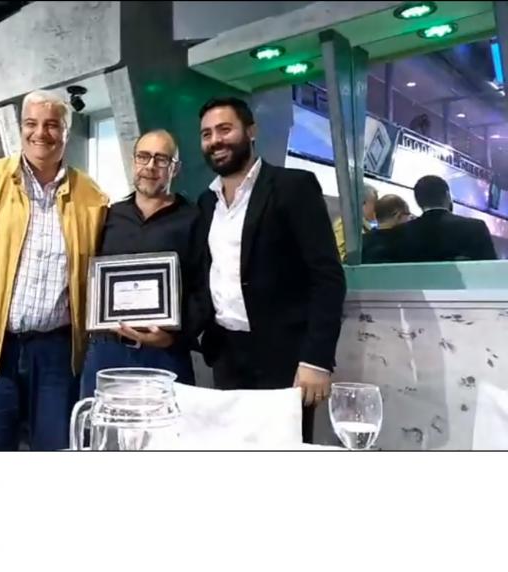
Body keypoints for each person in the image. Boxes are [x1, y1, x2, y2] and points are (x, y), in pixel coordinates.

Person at [0, 90, 109, 451]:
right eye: (31, 123)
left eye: (51, 125)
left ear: (66, 131)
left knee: (56, 452)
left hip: (58, 353)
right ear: (21, 129)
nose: (40, 133)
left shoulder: (93, 196)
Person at [193, 97, 346, 443]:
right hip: (226, 355)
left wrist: (317, 359)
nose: (215, 140)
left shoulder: (293, 186)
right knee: (234, 449)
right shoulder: (206, 202)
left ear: (251, 131)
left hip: (285, 358)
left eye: (224, 129)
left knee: (284, 451)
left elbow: (327, 277)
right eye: (206, 134)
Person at [80, 130, 202, 398]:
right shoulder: (107, 216)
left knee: (168, 425)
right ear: (133, 161)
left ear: (175, 168)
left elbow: (203, 289)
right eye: (143, 156)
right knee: (99, 424)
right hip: (106, 350)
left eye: (161, 159)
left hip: (165, 354)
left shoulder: (195, 219)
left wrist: (173, 337)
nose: (150, 166)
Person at [364, 176, 497, 263]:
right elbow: (492, 270)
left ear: (418, 201)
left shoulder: (399, 234)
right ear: (447, 196)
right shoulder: (476, 228)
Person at [332, 184, 378, 262]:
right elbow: (340, 257)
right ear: (363, 203)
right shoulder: (345, 224)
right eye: (375, 204)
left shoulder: (362, 225)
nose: (376, 209)